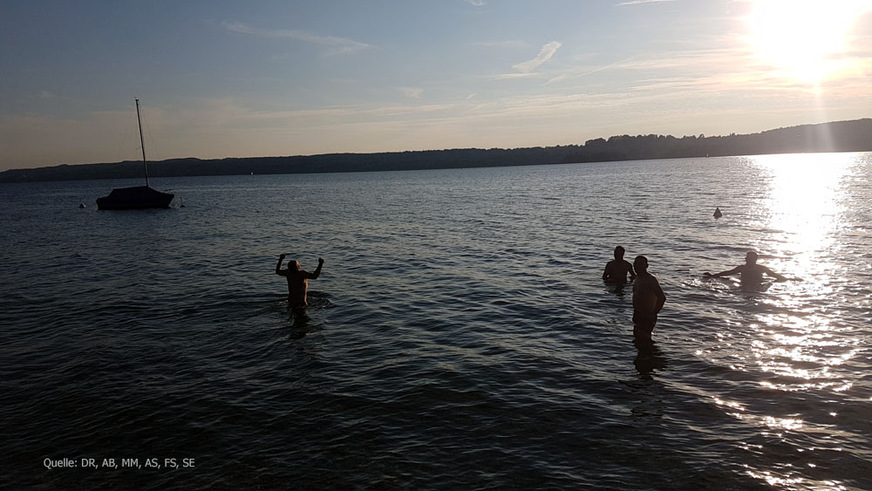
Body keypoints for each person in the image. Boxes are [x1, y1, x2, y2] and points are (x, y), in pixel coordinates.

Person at [703, 250, 787, 288]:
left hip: (757, 285)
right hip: (744, 285)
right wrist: (713, 276)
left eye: (748, 258)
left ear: (754, 259)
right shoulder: (742, 268)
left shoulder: (761, 268)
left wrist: (788, 279)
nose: (746, 259)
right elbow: (728, 272)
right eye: (746, 258)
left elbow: (775, 275)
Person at [632, 255, 666, 344]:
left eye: (640, 264)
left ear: (646, 266)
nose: (637, 266)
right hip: (638, 314)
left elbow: (662, 297)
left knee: (644, 341)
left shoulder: (650, 280)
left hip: (647, 315)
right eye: (636, 264)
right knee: (637, 340)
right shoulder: (638, 278)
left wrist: (653, 313)